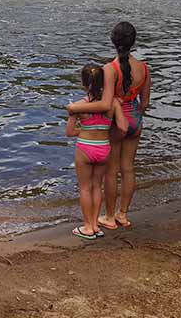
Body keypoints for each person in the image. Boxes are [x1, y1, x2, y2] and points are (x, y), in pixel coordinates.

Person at [67, 22, 151, 229]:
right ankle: (124, 214)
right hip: (135, 120)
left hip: (116, 122)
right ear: (133, 42)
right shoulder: (144, 68)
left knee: (111, 171)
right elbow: (145, 103)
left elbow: (105, 103)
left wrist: (74, 108)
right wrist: (135, 116)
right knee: (128, 168)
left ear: (113, 42)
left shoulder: (110, 69)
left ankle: (110, 217)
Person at [66, 64, 128, 240]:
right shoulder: (113, 103)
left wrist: (85, 131)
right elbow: (123, 127)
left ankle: (87, 227)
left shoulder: (78, 106)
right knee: (96, 186)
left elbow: (69, 132)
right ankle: (95, 224)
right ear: (103, 83)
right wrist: (105, 131)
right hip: (103, 148)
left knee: (85, 188)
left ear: (84, 84)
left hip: (85, 148)